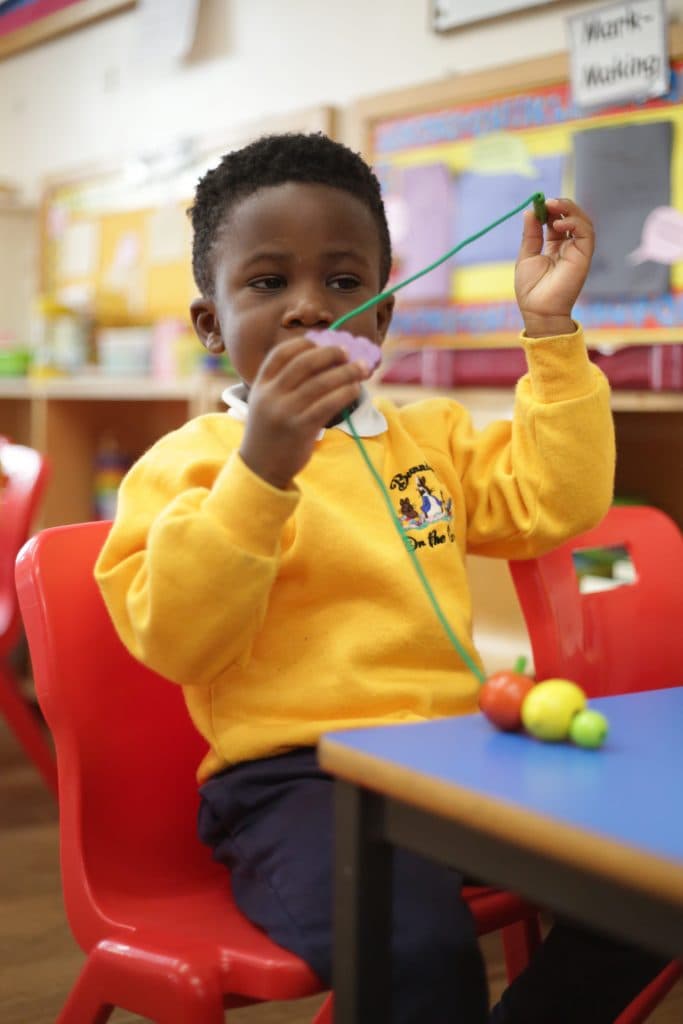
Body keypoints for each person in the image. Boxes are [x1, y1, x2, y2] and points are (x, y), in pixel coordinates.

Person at [95, 132, 665, 1022]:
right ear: (210, 323)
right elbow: (180, 639)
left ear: (384, 314)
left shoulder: (427, 437)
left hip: (455, 760)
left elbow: (558, 506)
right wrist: (264, 471)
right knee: (414, 945)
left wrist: (549, 333)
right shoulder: (187, 465)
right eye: (268, 282)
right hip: (297, 783)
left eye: (345, 281)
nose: (309, 309)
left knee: (650, 875)